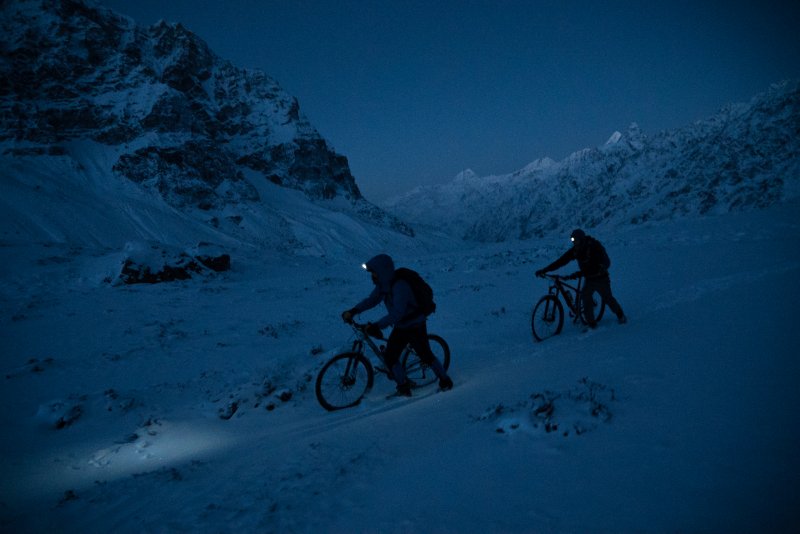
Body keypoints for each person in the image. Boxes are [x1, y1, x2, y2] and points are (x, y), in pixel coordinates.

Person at [341, 253, 453, 397]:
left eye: (374, 272)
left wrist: (377, 325)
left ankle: (445, 380)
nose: (372, 276)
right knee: (390, 357)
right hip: (401, 326)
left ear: (382, 271)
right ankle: (403, 387)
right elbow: (372, 300)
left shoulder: (400, 286)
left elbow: (397, 313)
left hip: (415, 325)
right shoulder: (384, 284)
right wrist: (353, 311)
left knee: (425, 355)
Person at [535, 229, 627, 328]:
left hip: (601, 278)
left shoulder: (594, 247)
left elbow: (601, 264)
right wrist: (545, 270)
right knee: (586, 298)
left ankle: (620, 315)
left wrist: (581, 273)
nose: (574, 243)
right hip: (589, 279)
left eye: (576, 240)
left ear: (582, 240)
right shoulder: (576, 250)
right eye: (573, 241)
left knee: (608, 299)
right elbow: (561, 261)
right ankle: (591, 324)